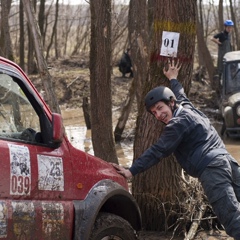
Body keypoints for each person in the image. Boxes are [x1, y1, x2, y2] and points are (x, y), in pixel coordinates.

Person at [111, 59, 240, 239]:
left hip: (213, 170)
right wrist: (173, 78)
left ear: (171, 103)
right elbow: (181, 94)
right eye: (154, 112)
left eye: (160, 108)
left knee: (233, 221)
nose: (159, 115)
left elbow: (157, 151)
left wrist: (131, 171)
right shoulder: (187, 108)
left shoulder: (177, 124)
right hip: (229, 163)